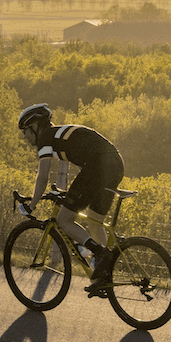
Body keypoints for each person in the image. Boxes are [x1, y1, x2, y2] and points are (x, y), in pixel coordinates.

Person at [17, 103, 125, 295]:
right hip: (115, 164)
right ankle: (103, 277)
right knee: (95, 221)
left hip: (97, 167)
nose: (24, 137)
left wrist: (31, 206)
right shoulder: (58, 134)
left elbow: (42, 177)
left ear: (34, 127)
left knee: (63, 219)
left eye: (25, 131)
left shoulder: (46, 138)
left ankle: (100, 254)